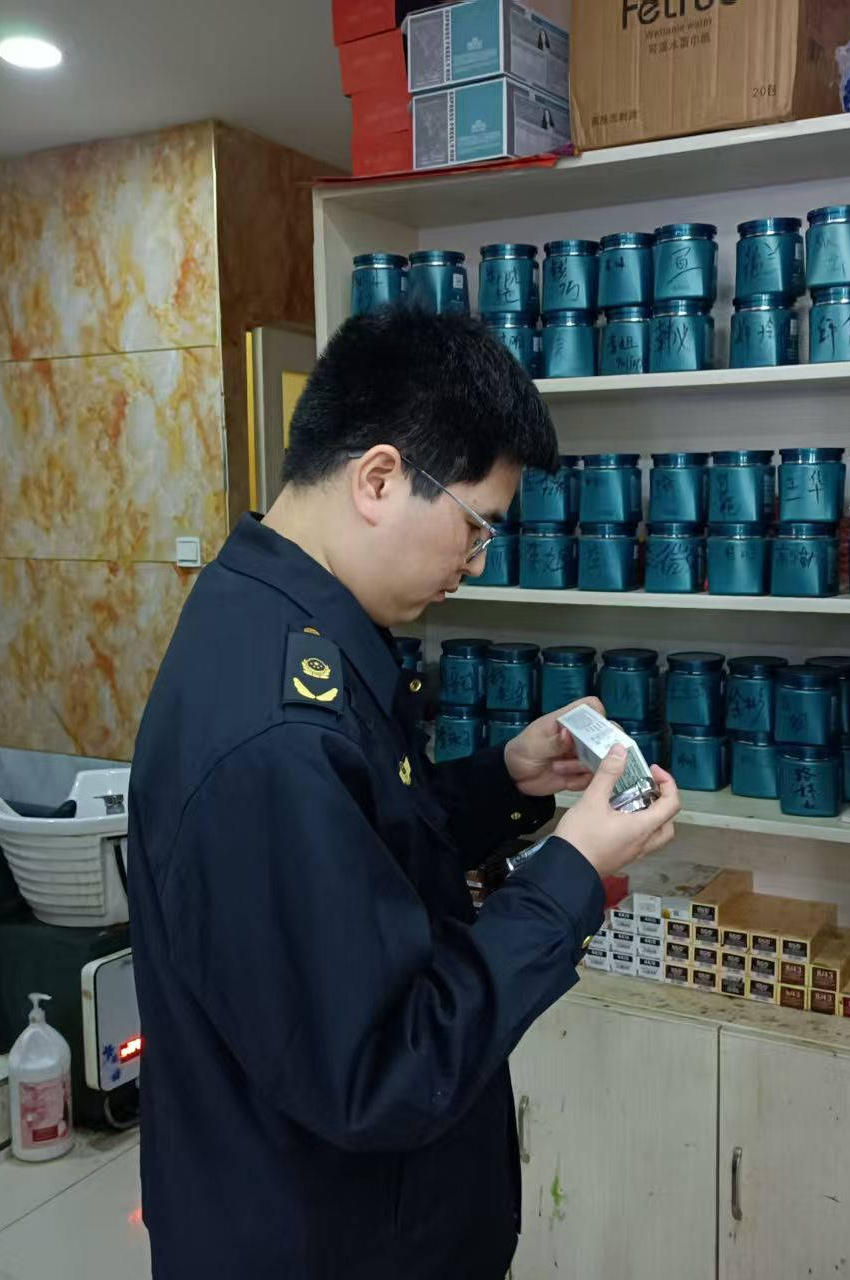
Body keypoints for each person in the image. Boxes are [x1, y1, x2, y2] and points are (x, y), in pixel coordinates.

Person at [127, 307, 682, 1280]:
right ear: (378, 479)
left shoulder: (276, 615)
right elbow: (384, 1072)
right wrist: (570, 870)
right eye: (474, 526)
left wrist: (503, 780)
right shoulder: (277, 730)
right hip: (319, 1239)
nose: (475, 564)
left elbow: (360, 853)